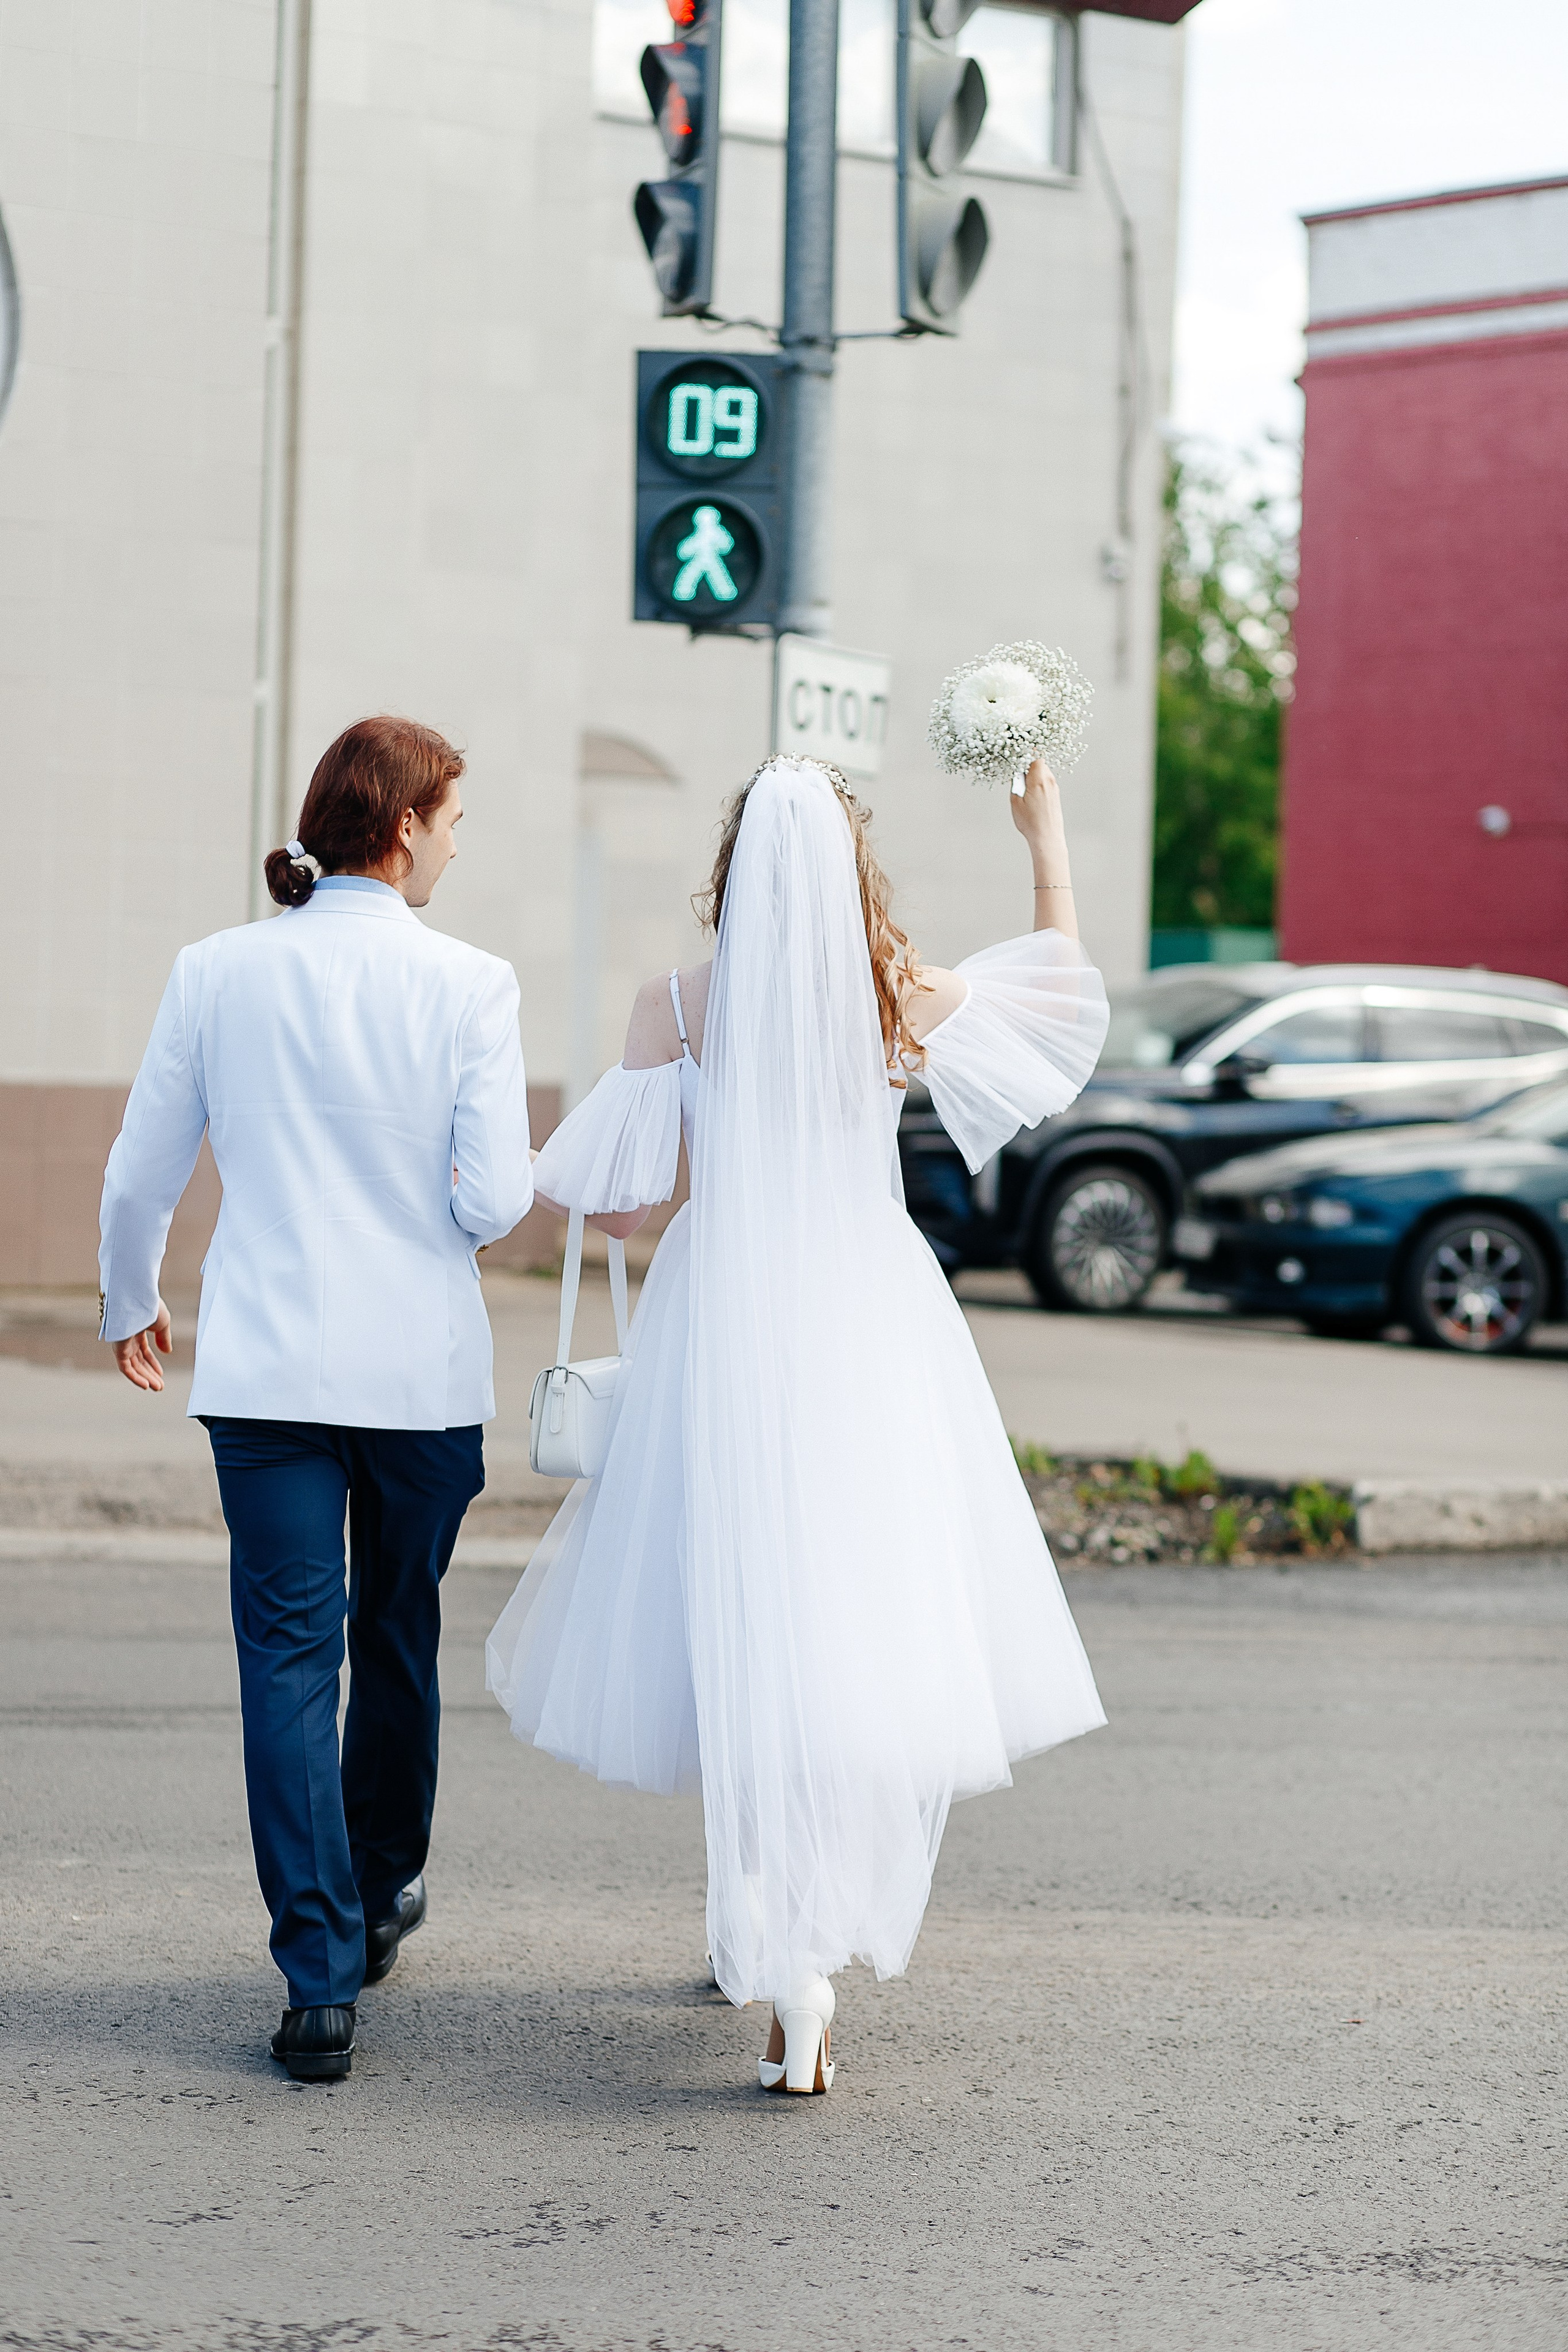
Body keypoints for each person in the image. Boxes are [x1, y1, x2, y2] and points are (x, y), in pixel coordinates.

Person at [486, 752, 1109, 2095]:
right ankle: (806, 1965)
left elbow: (608, 1205)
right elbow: (1059, 1004)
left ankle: (766, 1940)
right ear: (846, 869)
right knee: (848, 1615)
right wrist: (1042, 836)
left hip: (726, 1315)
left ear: (732, 875)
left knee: (739, 1613)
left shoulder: (678, 1004)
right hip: (866, 1319)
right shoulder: (894, 991)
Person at [99, 716, 533, 2082]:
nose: (460, 844)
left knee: (290, 1660)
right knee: (398, 1635)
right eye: (454, 820)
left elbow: (136, 1175)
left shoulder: (217, 970)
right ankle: (383, 1892)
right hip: (418, 1379)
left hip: (266, 1372)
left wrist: (132, 1300)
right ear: (402, 828)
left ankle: (317, 1977)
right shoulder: (470, 983)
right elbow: (494, 1199)